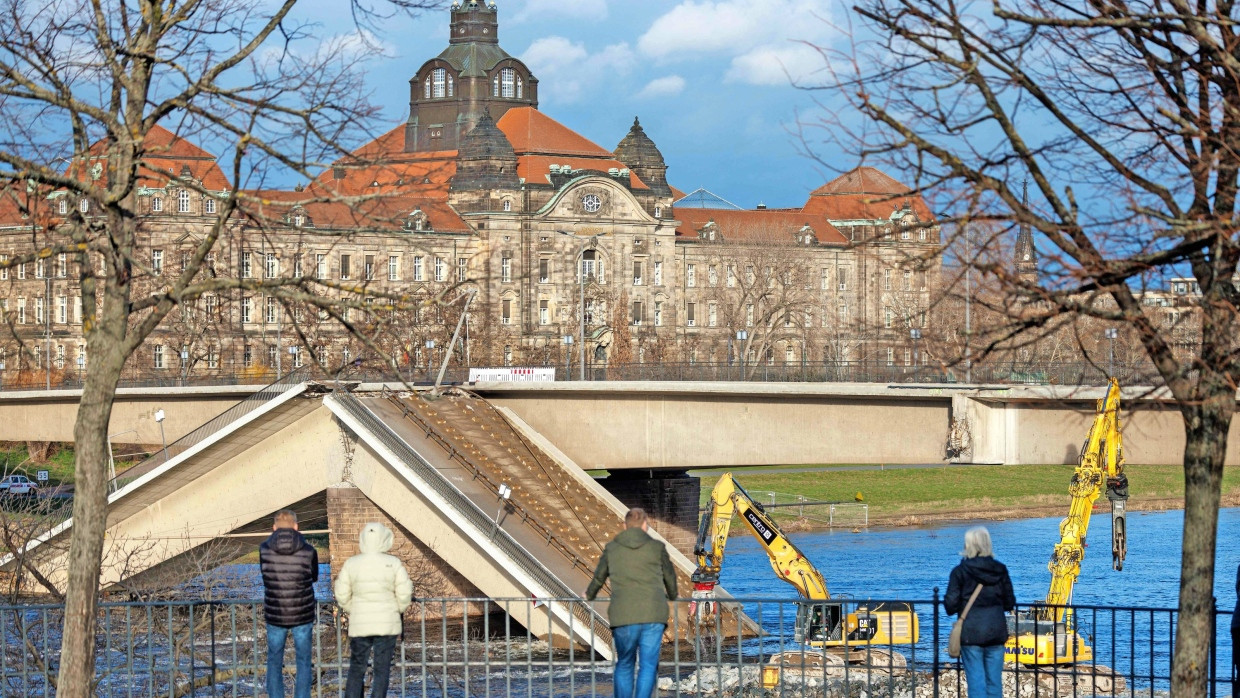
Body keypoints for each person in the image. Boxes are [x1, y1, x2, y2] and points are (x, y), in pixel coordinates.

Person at [585, 507, 678, 698]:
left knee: (625, 663)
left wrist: (590, 594)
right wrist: (672, 594)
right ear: (645, 526)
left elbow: (599, 578)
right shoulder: (657, 548)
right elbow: (669, 577)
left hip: (623, 616)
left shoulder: (612, 548)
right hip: (653, 615)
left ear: (624, 526)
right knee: (649, 665)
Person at [334, 522, 414, 698]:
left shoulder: (352, 563)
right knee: (381, 670)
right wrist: (396, 609)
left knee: (356, 668)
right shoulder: (393, 563)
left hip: (360, 624)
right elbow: (405, 591)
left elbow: (341, 592)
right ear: (384, 540)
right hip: (386, 625)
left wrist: (352, 609)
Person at [945, 526, 1016, 698]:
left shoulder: (960, 572)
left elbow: (950, 606)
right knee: (994, 682)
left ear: (968, 545)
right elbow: (1009, 603)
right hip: (996, 631)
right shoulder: (1000, 570)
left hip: (971, 633)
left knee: (976, 682)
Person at [260, 509, 319, 698]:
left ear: (274, 527)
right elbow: (314, 576)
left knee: (274, 661)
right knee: (303, 661)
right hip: (302, 613)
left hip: (275, 614)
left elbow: (266, 576)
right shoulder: (309, 551)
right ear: (296, 526)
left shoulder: (264, 549)